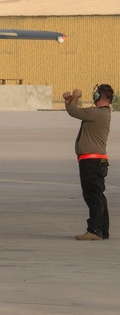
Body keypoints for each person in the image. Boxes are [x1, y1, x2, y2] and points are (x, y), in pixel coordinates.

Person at [64, 84, 112, 241]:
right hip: (94, 161)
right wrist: (69, 101)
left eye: (96, 94)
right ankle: (102, 230)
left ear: (99, 97)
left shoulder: (96, 113)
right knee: (97, 195)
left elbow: (73, 111)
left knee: (93, 196)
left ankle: (95, 230)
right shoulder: (100, 113)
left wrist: (75, 96)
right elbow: (73, 111)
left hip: (92, 162)